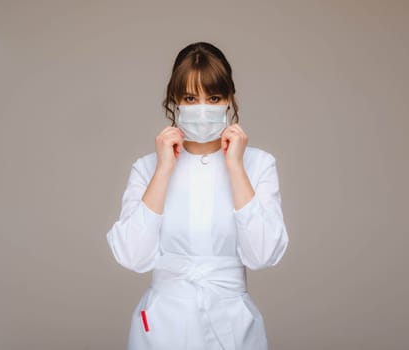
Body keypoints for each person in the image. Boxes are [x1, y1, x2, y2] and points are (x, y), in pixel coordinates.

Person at [106, 42, 289, 350]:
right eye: (191, 98)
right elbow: (133, 256)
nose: (202, 108)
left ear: (229, 100)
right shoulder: (147, 168)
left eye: (213, 97)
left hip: (232, 324)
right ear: (175, 101)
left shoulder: (258, 165)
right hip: (164, 325)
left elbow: (262, 254)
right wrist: (164, 169)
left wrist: (235, 168)